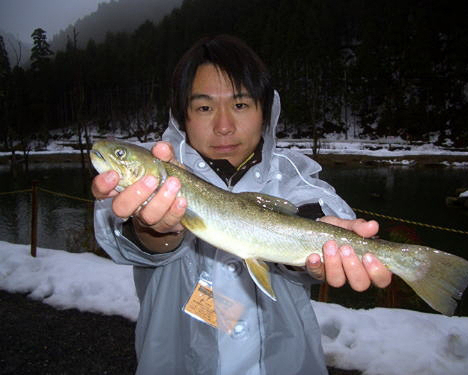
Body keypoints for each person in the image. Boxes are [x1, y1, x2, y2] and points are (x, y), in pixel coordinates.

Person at [92, 35, 391, 375]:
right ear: (182, 116)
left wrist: (317, 243)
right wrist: (151, 230)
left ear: (265, 111)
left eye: (240, 105)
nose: (223, 126)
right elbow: (119, 233)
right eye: (204, 107)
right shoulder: (157, 173)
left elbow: (315, 206)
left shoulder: (293, 174)